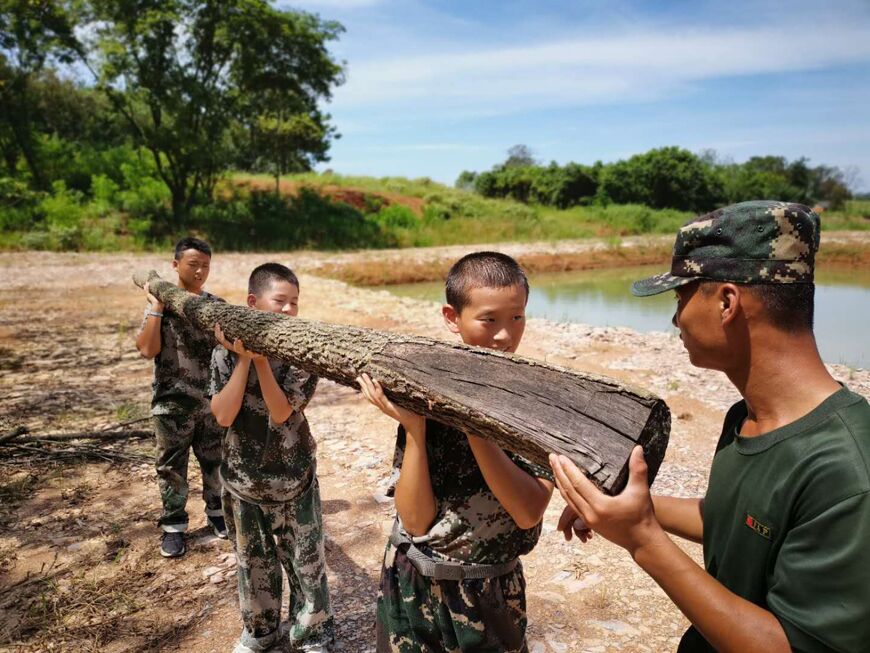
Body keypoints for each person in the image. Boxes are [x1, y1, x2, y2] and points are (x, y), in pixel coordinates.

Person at [550, 200, 870, 652]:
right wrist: (631, 507)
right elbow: (734, 519)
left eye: (682, 296)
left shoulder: (848, 472)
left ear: (726, 302)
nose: (675, 317)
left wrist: (642, 540)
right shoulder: (747, 417)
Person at [357, 251, 555, 653]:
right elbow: (415, 522)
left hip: (489, 590)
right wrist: (415, 430)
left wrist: (473, 424)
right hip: (412, 579)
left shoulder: (536, 402)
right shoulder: (426, 395)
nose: (504, 335)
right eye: (489, 320)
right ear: (452, 318)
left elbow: (528, 510)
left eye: (516, 317)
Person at [209, 263, 333, 653]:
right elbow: (223, 415)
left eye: (294, 303)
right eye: (280, 301)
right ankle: (261, 631)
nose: (288, 311)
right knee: (252, 563)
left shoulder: (301, 354)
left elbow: (281, 412)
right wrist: (244, 358)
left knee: (306, 563)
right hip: (243, 481)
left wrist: (262, 361)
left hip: (293, 477)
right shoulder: (224, 355)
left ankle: (312, 634)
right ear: (252, 302)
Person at [135, 236, 226, 558]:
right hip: (171, 403)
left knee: (216, 464)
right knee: (171, 469)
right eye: (193, 265)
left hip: (211, 403)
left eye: (205, 266)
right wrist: (158, 306)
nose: (200, 271)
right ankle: (174, 527)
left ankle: (218, 514)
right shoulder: (161, 304)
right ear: (175, 266)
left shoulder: (216, 307)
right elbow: (147, 349)